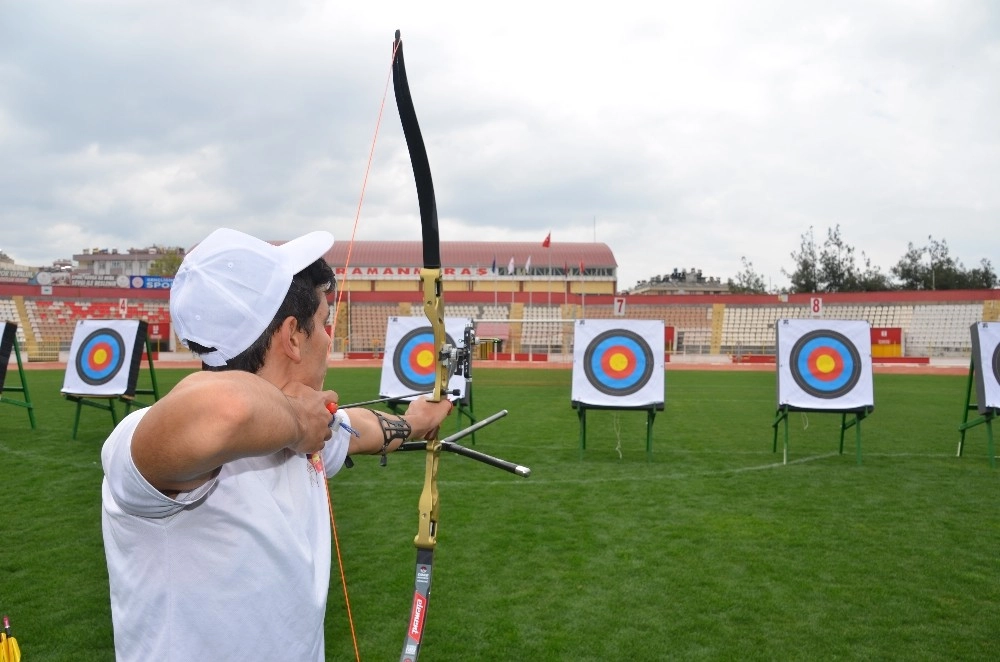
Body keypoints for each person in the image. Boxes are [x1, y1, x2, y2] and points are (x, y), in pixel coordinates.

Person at [100, 228, 452, 661]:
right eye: (323, 324)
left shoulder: (306, 430)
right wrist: (298, 422)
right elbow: (226, 408)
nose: (328, 339)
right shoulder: (146, 443)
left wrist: (414, 422)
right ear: (291, 336)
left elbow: (357, 427)